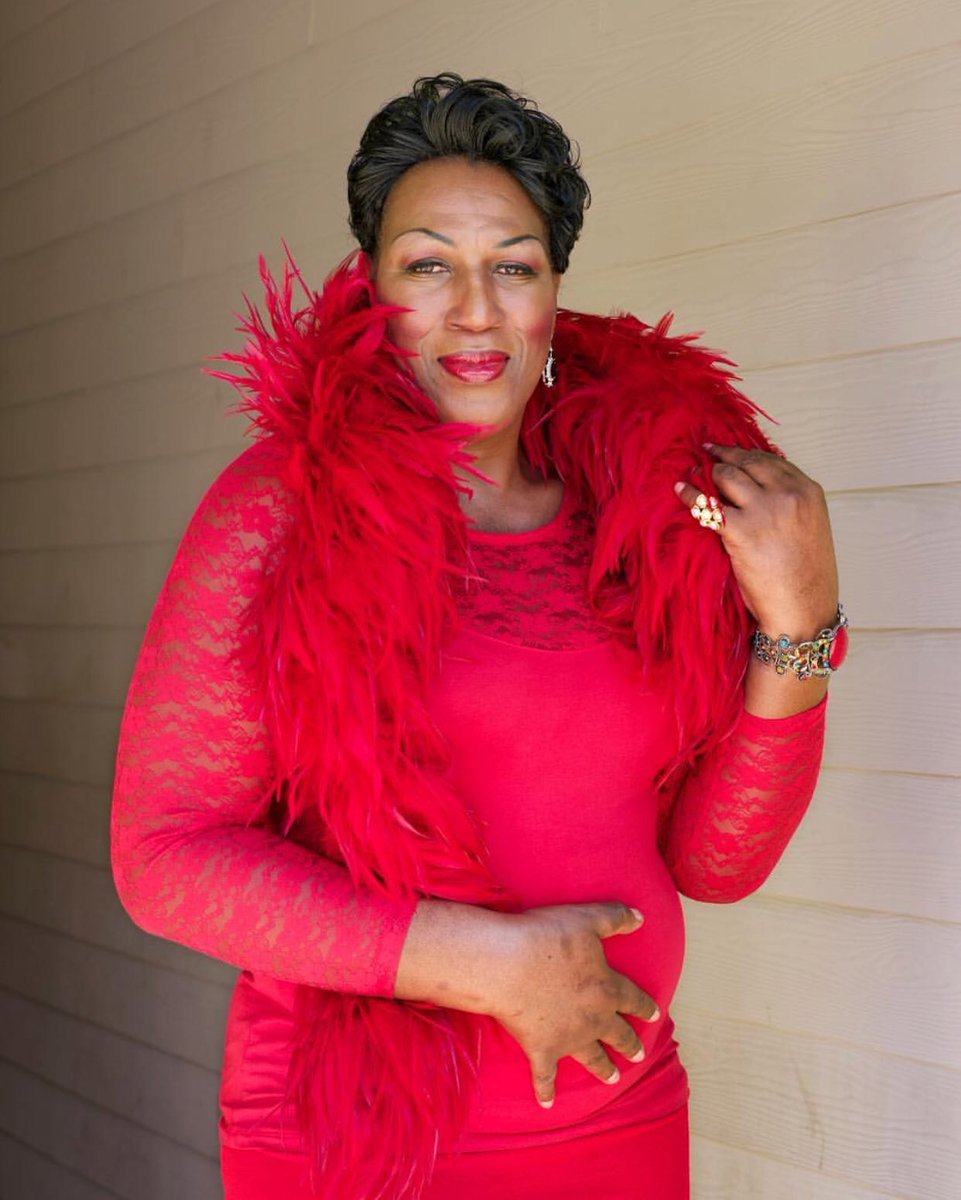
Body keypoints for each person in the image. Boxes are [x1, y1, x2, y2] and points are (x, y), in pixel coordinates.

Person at [110, 72, 846, 1200]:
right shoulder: (279, 510)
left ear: (554, 295)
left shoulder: (648, 516)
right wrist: (485, 963)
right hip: (357, 1141)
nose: (473, 310)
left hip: (619, 1115)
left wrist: (798, 622)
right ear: (370, 290)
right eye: (427, 266)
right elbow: (165, 858)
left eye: (512, 266)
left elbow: (715, 863)